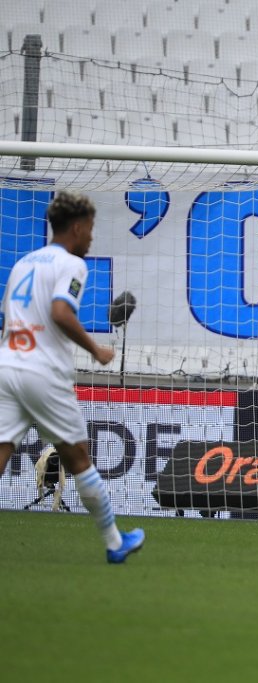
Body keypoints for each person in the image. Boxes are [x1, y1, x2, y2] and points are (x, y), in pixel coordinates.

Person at [0, 191, 145, 564]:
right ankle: (115, 543)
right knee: (79, 457)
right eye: (92, 229)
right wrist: (96, 350)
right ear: (77, 227)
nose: (92, 238)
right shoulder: (71, 265)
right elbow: (61, 313)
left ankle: (116, 541)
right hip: (41, 372)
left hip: (6, 366)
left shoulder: (23, 263)